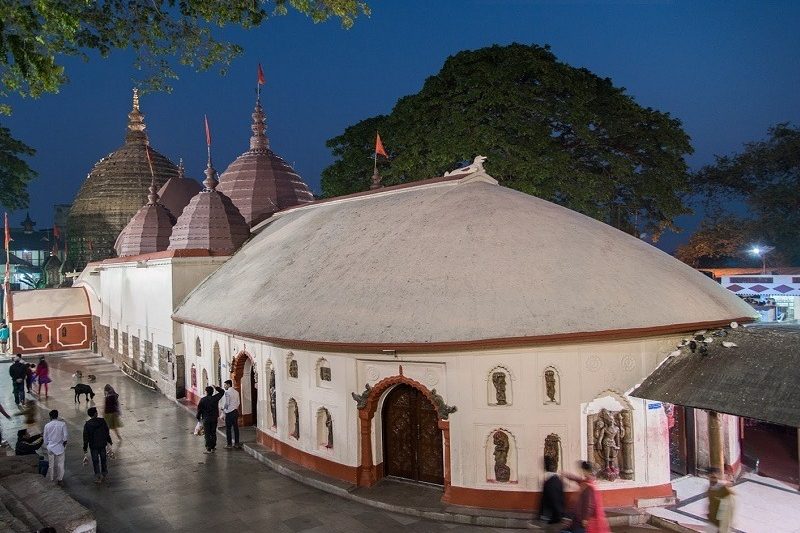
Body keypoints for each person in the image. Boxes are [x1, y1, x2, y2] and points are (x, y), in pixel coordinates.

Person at [563, 461, 610, 533]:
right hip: (579, 516)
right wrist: (568, 476)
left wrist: (585, 518)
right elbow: (579, 480)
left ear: (585, 471)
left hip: (582, 518)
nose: (580, 472)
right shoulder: (589, 481)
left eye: (581, 470)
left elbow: (589, 504)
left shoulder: (588, 486)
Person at [83, 407, 112, 484]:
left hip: (93, 446)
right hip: (102, 444)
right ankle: (104, 473)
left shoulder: (87, 424)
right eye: (96, 412)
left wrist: (85, 448)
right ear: (95, 413)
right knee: (103, 459)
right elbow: (107, 432)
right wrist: (109, 441)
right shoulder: (102, 421)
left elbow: (85, 437)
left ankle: (98, 477)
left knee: (95, 461)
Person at [42, 410, 68, 484]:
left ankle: (51, 478)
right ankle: (60, 479)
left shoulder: (47, 425)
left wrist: (47, 444)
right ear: (57, 415)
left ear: (50, 417)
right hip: (60, 447)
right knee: (60, 464)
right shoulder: (62, 424)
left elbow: (45, 438)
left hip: (50, 447)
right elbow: (65, 437)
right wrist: (64, 443)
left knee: (51, 463)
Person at [196, 385, 224, 453]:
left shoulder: (203, 400)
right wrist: (216, 388)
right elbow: (222, 392)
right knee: (213, 433)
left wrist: (198, 418)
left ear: (206, 392)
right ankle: (213, 447)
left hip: (206, 419)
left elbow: (199, 410)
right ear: (212, 392)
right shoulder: (215, 398)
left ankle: (208, 448)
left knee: (207, 433)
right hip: (214, 418)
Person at [706, 468, 734, 533]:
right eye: (710, 477)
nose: (712, 480)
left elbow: (729, 507)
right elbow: (711, 502)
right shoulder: (710, 488)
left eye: (714, 477)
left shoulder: (724, 489)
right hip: (713, 520)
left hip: (722, 521)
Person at [539, 456, 564, 525]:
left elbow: (555, 500)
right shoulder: (556, 480)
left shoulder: (552, 482)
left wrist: (557, 516)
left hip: (551, 517)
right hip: (551, 516)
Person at [222, 379, 241, 449]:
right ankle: (237, 443)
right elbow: (238, 402)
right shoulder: (236, 392)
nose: (224, 386)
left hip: (229, 412)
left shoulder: (227, 392)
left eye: (225, 385)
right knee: (236, 428)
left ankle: (229, 444)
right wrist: (234, 407)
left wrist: (223, 410)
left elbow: (227, 403)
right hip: (235, 411)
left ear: (228, 385)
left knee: (228, 429)